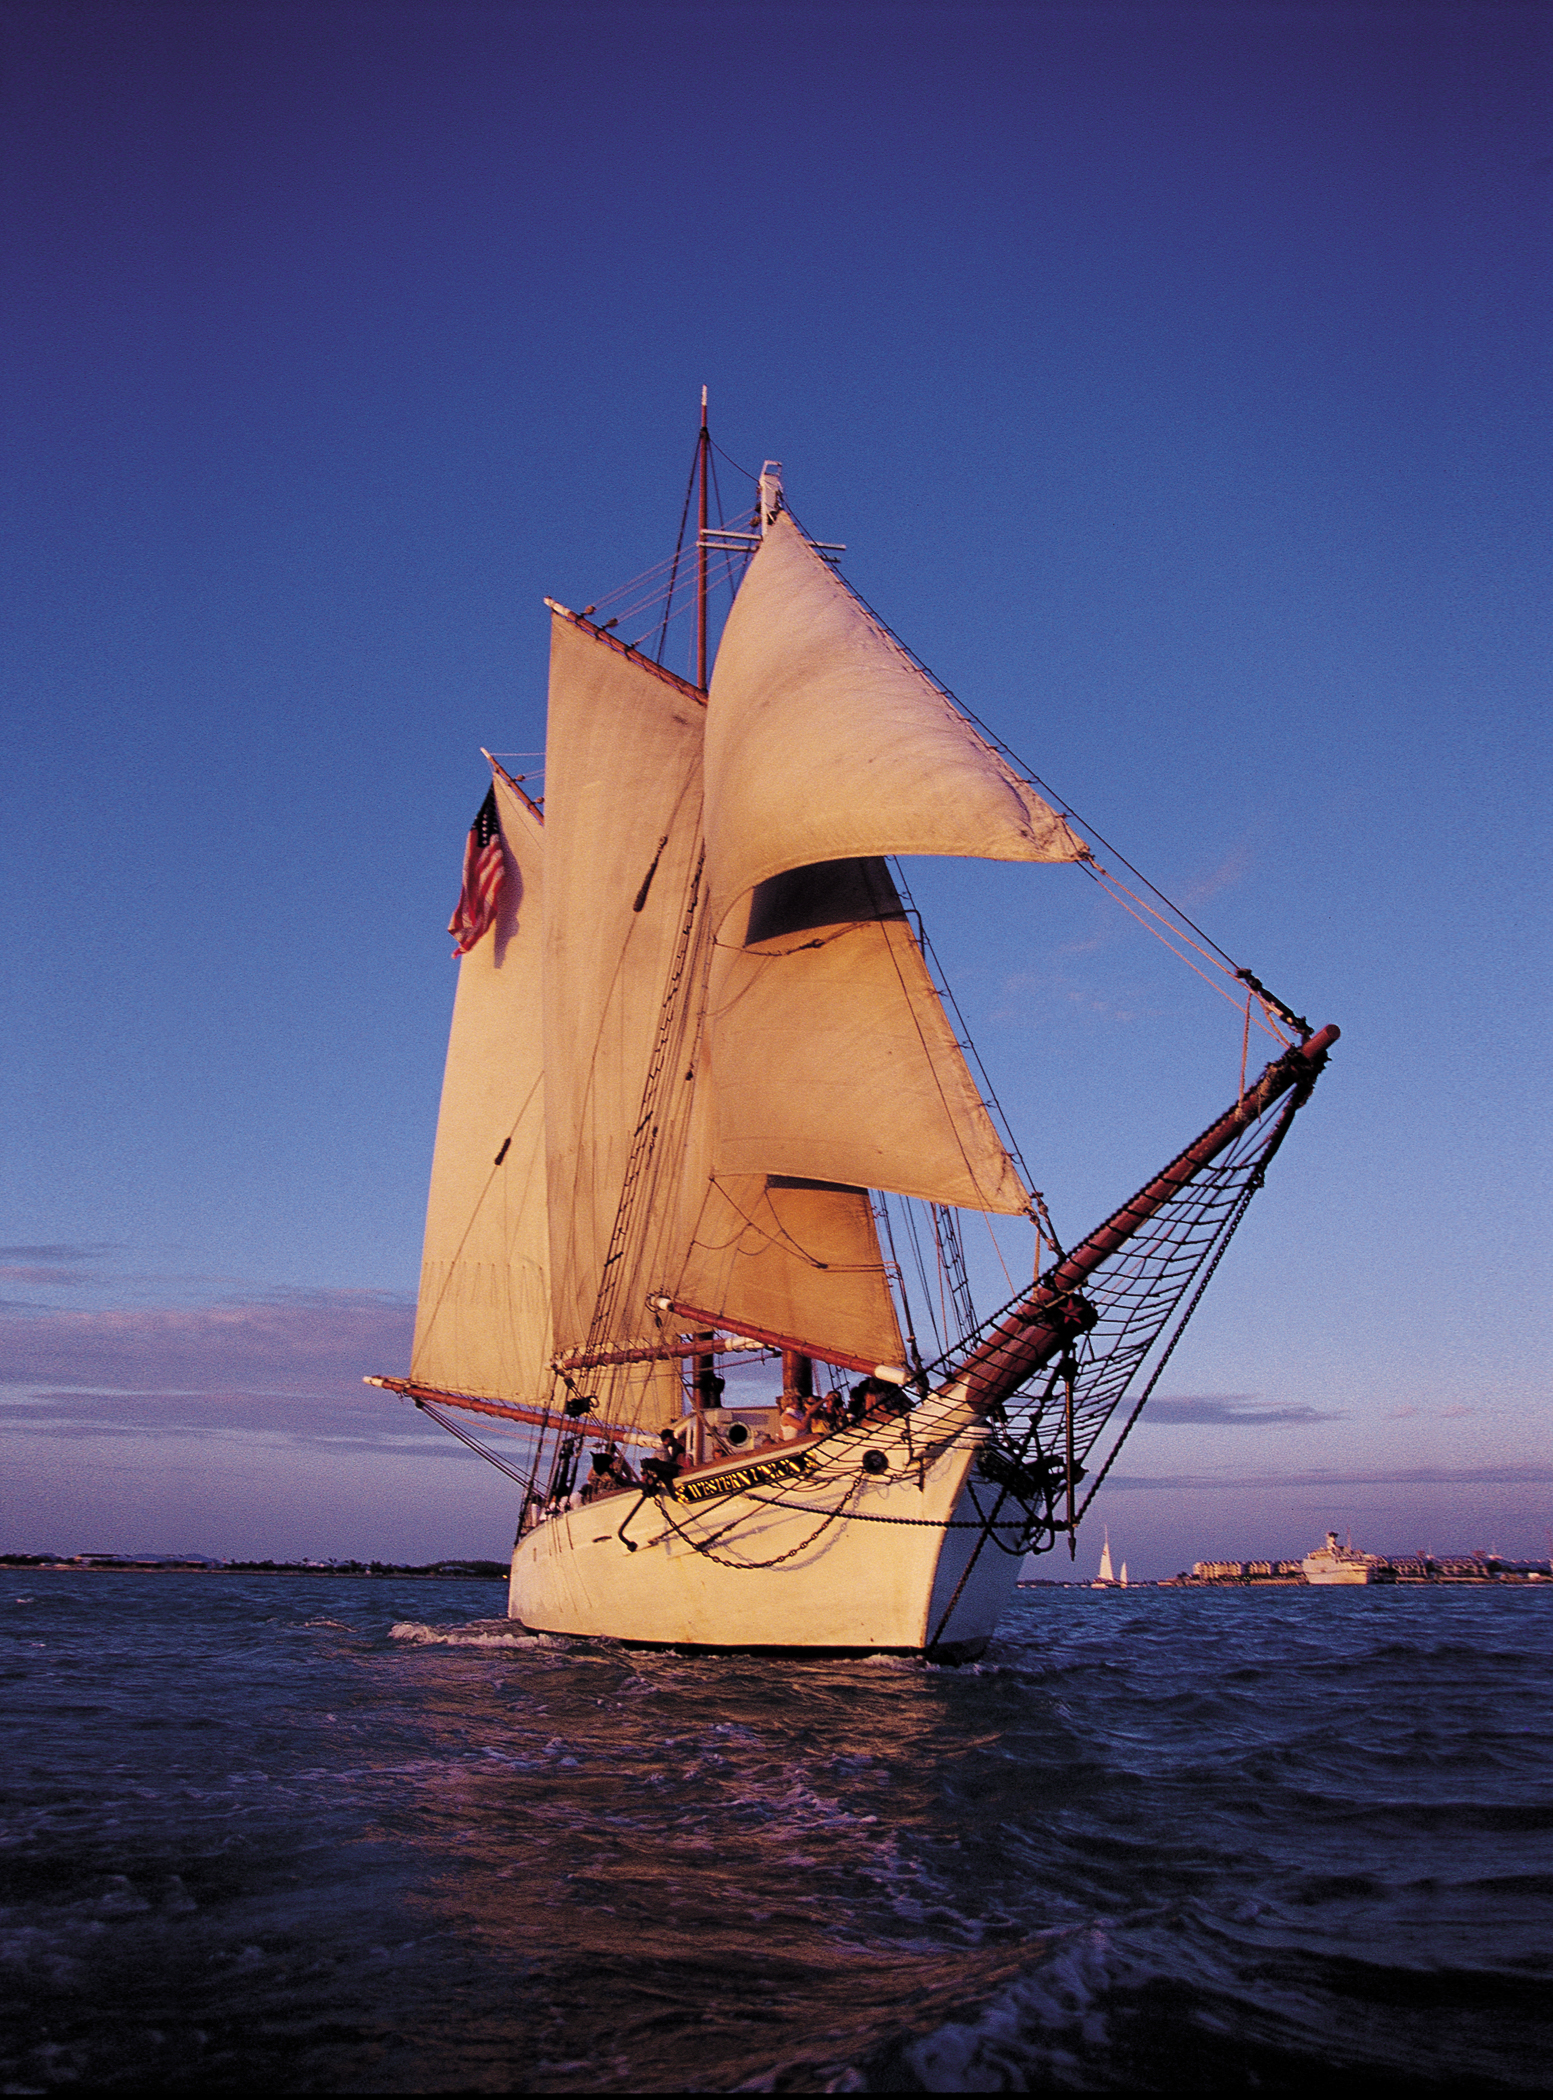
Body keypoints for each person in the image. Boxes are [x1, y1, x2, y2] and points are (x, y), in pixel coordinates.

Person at [640, 1425, 685, 1493]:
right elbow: (666, 1467)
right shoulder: (663, 1452)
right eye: (672, 1437)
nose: (675, 1439)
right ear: (668, 1439)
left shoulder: (659, 1450)